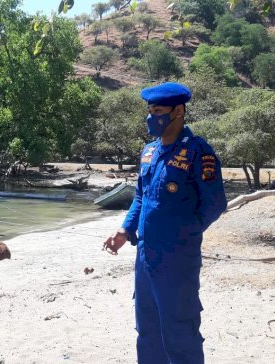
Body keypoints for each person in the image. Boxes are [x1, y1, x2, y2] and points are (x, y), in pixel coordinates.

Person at [102, 83, 227, 363]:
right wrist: (125, 230)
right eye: (149, 111)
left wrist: (184, 233)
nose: (151, 117)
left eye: (157, 111)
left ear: (178, 112)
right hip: (145, 256)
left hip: (177, 257)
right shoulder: (148, 152)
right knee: (147, 329)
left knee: (180, 330)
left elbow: (215, 204)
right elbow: (141, 196)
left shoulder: (198, 152)